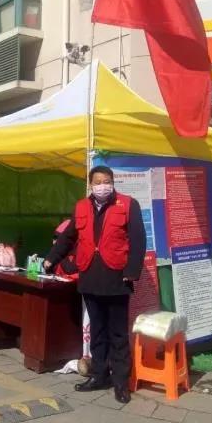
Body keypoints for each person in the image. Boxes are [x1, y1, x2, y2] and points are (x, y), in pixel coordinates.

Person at [44, 165, 146, 404]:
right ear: (90, 185)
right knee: (97, 331)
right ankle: (99, 375)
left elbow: (138, 239)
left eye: (107, 181)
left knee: (117, 333)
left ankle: (120, 382)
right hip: (90, 276)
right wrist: (51, 258)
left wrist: (132, 271)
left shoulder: (128, 204)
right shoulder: (81, 207)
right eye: (98, 182)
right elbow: (68, 237)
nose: (103, 186)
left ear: (113, 182)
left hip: (117, 277)